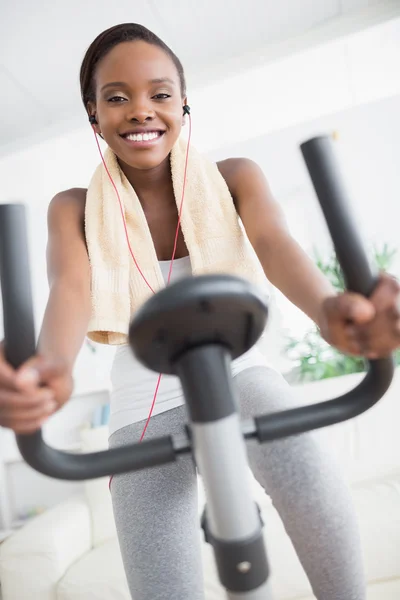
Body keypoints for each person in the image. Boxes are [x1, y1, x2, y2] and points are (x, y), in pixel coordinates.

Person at [0, 22, 399, 600]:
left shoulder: (235, 178)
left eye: (160, 94)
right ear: (93, 114)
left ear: (183, 104)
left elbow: (277, 247)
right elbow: (70, 289)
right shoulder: (74, 208)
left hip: (242, 373)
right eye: (117, 98)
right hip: (143, 401)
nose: (141, 111)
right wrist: (53, 369)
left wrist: (331, 309)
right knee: (158, 577)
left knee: (307, 472)